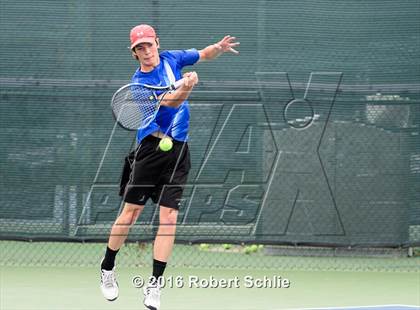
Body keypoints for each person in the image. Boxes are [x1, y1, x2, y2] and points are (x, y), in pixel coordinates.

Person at [100, 24, 239, 310]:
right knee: (130, 214)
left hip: (179, 151)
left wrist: (218, 48)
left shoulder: (173, 58)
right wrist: (186, 86)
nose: (146, 51)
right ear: (134, 53)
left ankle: (154, 286)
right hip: (150, 150)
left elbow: (202, 54)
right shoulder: (138, 85)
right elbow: (172, 104)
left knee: (169, 219)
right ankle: (107, 267)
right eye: (140, 48)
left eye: (149, 45)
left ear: (157, 44)